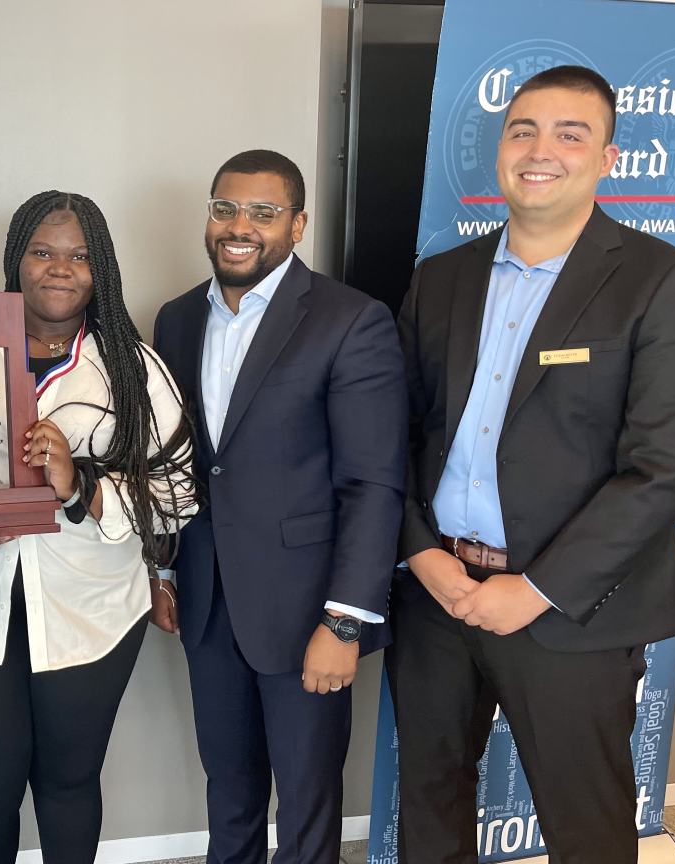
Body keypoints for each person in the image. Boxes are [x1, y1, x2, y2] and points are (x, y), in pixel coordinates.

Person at [389, 65, 675, 864]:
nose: (541, 150)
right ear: (502, 150)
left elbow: (665, 468)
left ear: (608, 157)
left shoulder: (664, 280)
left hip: (574, 612)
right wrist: (419, 551)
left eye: (570, 134)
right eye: (523, 130)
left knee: (587, 827)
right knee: (429, 803)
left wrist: (534, 590)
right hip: (439, 596)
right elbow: (393, 437)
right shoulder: (441, 280)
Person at [0, 190, 197, 864]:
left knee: (65, 782)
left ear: (102, 270)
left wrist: (81, 483)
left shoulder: (133, 369)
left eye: (80, 255)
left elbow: (177, 497)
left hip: (90, 611)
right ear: (15, 259)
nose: (60, 268)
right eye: (42, 251)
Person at [150, 149, 407, 864]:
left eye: (264, 213)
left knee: (306, 800)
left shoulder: (351, 320)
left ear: (297, 225)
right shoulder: (176, 320)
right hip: (208, 604)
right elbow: (173, 463)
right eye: (225, 208)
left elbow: (374, 484)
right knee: (227, 790)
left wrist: (345, 621)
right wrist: (166, 572)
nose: (240, 227)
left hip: (307, 612)